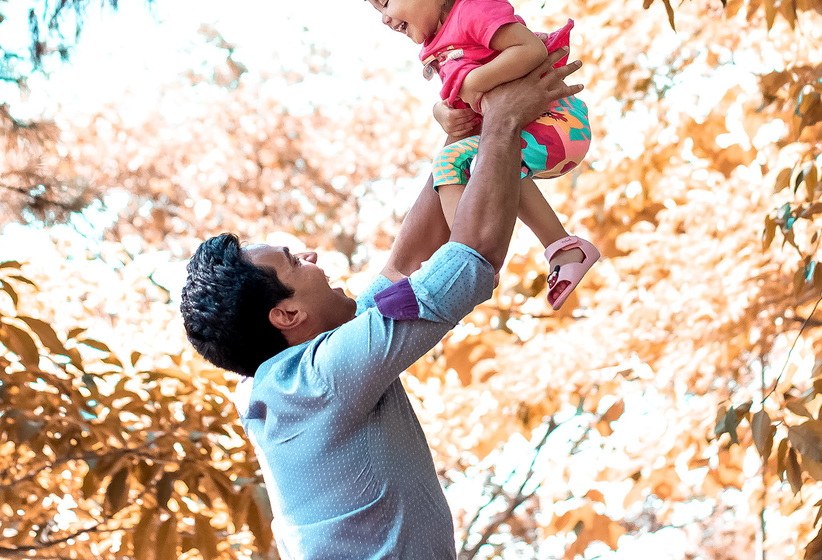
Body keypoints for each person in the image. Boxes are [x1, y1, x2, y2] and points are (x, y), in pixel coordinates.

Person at [179, 52, 582, 560]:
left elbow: (406, 264)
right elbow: (471, 256)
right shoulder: (319, 379)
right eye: (292, 261)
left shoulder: (302, 373)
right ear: (285, 315)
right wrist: (502, 120)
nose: (310, 255)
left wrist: (458, 142)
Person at [346, 0, 599, 309]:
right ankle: (486, 255)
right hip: (524, 129)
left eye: (385, 0)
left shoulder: (472, 13)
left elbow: (528, 49)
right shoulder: (438, 44)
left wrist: (476, 80)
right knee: (464, 163)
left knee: (468, 162)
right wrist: (441, 112)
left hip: (555, 121)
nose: (383, 18)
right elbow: (456, 105)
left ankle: (497, 254)